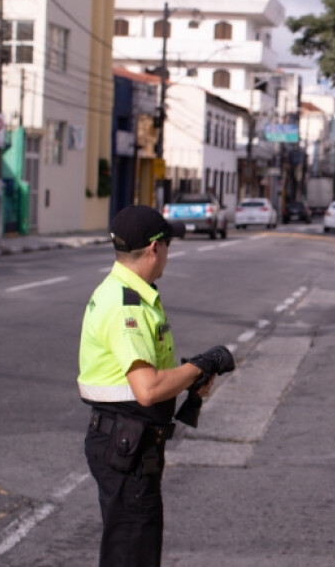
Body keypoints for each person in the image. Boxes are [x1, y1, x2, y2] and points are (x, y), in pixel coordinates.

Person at [78, 205, 235, 567]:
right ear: (153, 249)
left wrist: (187, 378)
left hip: (128, 440)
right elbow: (147, 389)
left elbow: (148, 376)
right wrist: (202, 365)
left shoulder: (129, 291)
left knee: (131, 547)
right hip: (126, 445)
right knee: (133, 552)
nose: (167, 253)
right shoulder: (126, 307)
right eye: (167, 245)